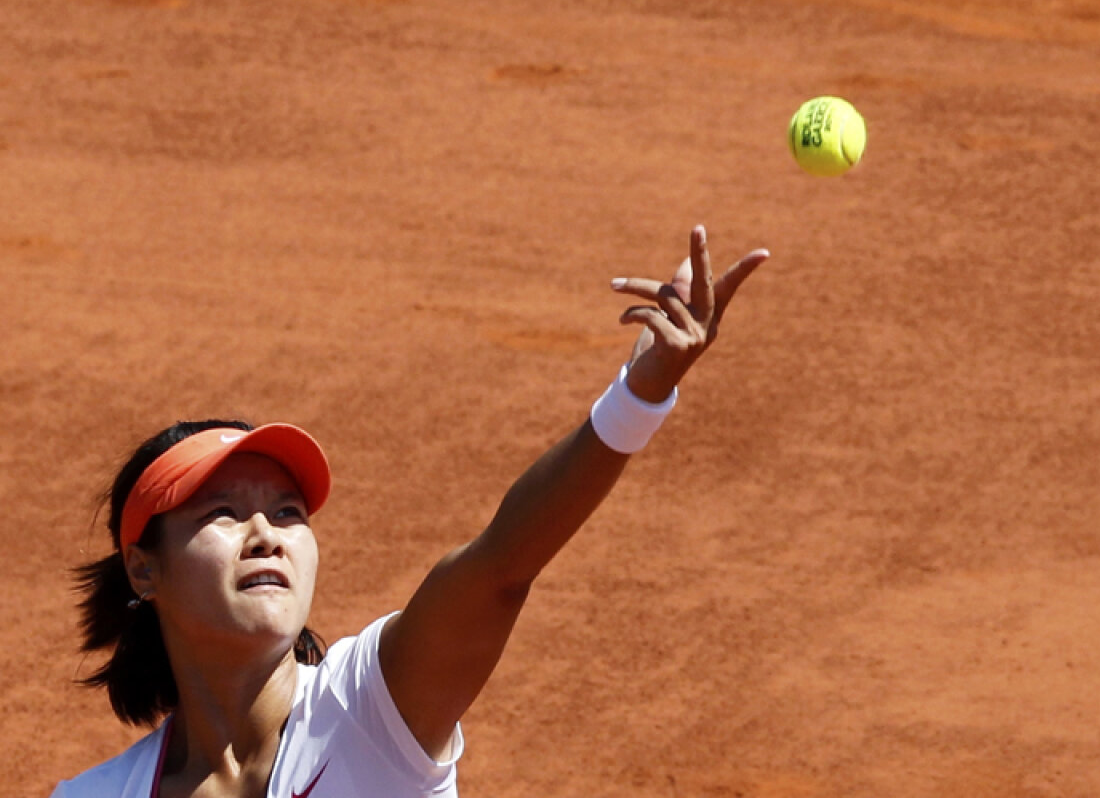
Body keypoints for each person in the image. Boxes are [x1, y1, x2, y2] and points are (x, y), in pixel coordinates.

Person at [52, 225, 769, 798]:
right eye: (223, 512)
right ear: (143, 569)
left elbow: (501, 566)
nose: (267, 534)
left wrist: (640, 396)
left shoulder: (372, 708)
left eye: (289, 511)